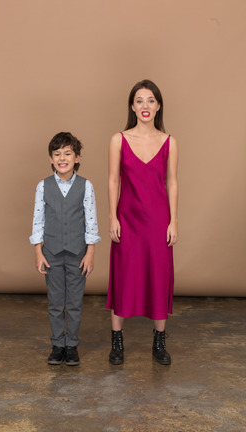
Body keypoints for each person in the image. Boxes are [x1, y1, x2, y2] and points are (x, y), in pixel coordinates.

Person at [106, 80, 179, 366]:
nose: (145, 106)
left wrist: (174, 220)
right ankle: (117, 342)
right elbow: (113, 180)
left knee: (158, 276)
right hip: (128, 218)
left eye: (151, 100)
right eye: (139, 100)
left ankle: (159, 342)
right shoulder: (118, 140)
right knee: (124, 275)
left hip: (159, 220)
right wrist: (112, 216)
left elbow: (172, 182)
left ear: (158, 105)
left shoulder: (169, 141)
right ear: (132, 106)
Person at [30, 132, 101, 366]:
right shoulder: (43, 186)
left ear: (77, 157)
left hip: (77, 253)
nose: (62, 158)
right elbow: (38, 220)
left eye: (67, 154)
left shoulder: (85, 186)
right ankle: (57, 345)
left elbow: (91, 222)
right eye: (57, 154)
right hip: (51, 253)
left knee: (74, 303)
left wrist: (90, 253)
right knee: (55, 302)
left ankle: (71, 346)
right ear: (51, 159)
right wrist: (38, 252)